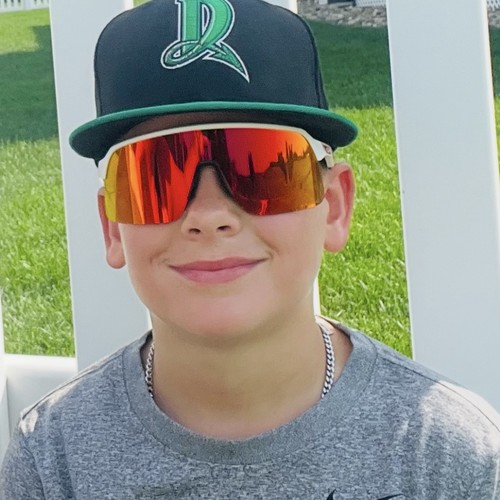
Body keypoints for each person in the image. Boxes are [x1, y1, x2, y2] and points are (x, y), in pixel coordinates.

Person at [1, 0, 499, 498]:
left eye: (261, 168)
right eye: (157, 176)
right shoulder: (52, 459)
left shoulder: (448, 455)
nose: (209, 216)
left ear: (333, 206)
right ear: (113, 226)